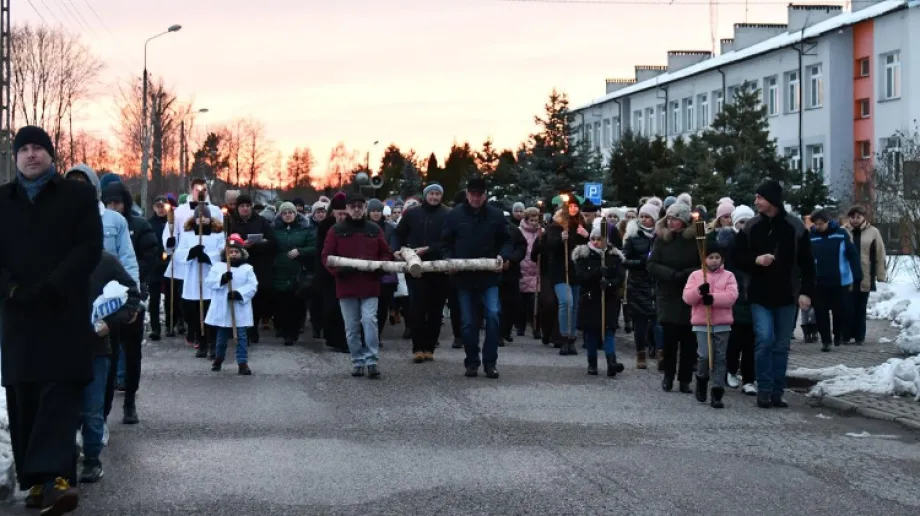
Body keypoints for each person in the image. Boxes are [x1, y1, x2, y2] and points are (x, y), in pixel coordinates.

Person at [0, 125, 102, 514]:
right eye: (23, 149)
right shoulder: (3, 200)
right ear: (16, 156)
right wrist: (10, 289)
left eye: (37, 148)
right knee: (24, 397)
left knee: (59, 395)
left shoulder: (76, 196)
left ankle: (58, 478)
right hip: (19, 316)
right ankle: (36, 482)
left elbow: (88, 247)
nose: (30, 155)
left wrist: (54, 286)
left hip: (62, 312)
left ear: (50, 155)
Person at [733, 180, 815, 409]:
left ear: (772, 200)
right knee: (764, 340)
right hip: (759, 295)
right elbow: (737, 257)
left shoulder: (795, 227)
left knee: (781, 345)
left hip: (787, 296)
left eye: (760, 197)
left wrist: (806, 292)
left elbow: (808, 263)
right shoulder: (751, 227)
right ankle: (764, 389)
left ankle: (778, 392)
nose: (756, 201)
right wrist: (756, 260)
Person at [440, 177, 511, 379]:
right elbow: (445, 243)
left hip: (489, 276)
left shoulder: (496, 215)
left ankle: (490, 362)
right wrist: (448, 260)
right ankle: (472, 361)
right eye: (472, 194)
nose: (475, 198)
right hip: (464, 277)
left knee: (493, 315)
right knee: (468, 323)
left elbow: (507, 240)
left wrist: (503, 256)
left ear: (485, 195)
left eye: (479, 194)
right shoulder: (455, 215)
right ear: (467, 193)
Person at [81, 251, 142, 483]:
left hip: (95, 346)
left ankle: (92, 459)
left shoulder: (104, 260)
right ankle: (63, 461)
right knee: (64, 406)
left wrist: (110, 321)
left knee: (93, 406)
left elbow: (131, 294)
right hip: (62, 347)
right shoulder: (53, 255)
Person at [101, 181, 159, 425]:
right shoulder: (99, 224)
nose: (113, 207)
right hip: (105, 298)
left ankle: (130, 401)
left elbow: (150, 255)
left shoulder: (138, 225)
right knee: (108, 355)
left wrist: (132, 280)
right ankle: (102, 410)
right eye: (109, 203)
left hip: (132, 295)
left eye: (117, 202)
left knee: (132, 352)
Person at [322, 192, 393, 378]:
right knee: (351, 327)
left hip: (370, 285)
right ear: (346, 209)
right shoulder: (336, 230)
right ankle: (357, 361)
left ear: (364, 209)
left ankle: (372, 361)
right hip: (346, 286)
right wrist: (338, 272)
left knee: (370, 322)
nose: (356, 209)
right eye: (352, 206)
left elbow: (386, 253)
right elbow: (326, 257)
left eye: (360, 206)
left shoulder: (374, 229)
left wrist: (380, 267)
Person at [391, 183, 450, 362]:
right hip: (415, 268)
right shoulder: (412, 214)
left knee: (435, 310)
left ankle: (430, 348)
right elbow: (397, 234)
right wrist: (395, 250)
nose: (434, 197)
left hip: (439, 269)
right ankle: (417, 348)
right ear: (425, 195)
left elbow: (449, 240)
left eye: (437, 194)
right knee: (417, 307)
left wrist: (430, 248)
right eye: (431, 194)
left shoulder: (447, 215)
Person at [647, 202, 701, 393]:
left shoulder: (695, 239)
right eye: (669, 218)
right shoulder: (661, 239)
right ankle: (668, 375)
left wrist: (686, 274)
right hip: (668, 293)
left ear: (684, 221)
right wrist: (670, 274)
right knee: (669, 339)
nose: (671, 222)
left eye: (675, 219)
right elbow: (651, 264)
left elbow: (703, 263)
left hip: (690, 294)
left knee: (688, 340)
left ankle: (685, 379)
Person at [682, 243, 739, 409]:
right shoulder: (696, 275)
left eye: (717, 257)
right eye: (711, 257)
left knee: (720, 357)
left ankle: (717, 390)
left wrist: (712, 298)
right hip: (702, 322)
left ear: (722, 259)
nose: (714, 261)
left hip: (722, 323)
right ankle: (701, 380)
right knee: (705, 356)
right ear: (704, 259)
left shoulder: (729, 276)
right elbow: (687, 297)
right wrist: (700, 292)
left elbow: (731, 296)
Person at [572, 227, 626, 376]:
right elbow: (580, 276)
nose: (596, 242)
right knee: (592, 332)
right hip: (590, 298)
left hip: (609, 298)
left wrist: (609, 283)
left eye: (599, 239)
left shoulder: (614, 256)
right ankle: (592, 362)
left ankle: (611, 362)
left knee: (609, 330)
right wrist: (597, 273)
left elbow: (620, 277)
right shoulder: (583, 256)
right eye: (593, 239)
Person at [539, 195, 589, 354]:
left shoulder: (581, 225)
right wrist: (560, 239)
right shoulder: (557, 226)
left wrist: (587, 237)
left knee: (574, 306)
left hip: (575, 271)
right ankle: (564, 335)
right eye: (571, 206)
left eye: (576, 206)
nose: (574, 209)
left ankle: (572, 337)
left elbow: (590, 249)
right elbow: (549, 246)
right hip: (560, 270)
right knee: (566, 302)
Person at [717, 205, 758, 396]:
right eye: (741, 222)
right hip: (733, 297)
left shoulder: (756, 241)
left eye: (748, 222)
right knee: (734, 340)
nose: (744, 225)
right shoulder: (728, 243)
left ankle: (749, 378)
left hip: (753, 296)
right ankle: (731, 370)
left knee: (751, 342)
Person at [809, 209, 862, 352]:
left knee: (840, 311)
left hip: (839, 280)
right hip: (818, 281)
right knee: (820, 312)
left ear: (828, 222)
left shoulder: (841, 234)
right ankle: (826, 340)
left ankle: (837, 334)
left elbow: (852, 254)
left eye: (821, 224)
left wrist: (857, 273)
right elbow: (805, 258)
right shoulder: (811, 236)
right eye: (816, 224)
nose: (818, 226)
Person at [205, 234, 258, 374]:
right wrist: (222, 280)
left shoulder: (247, 269)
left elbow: (253, 286)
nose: (233, 254)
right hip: (223, 308)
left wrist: (239, 293)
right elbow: (209, 282)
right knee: (221, 337)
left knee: (241, 336)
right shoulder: (218, 267)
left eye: (236, 252)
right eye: (231, 252)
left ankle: (242, 362)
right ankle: (218, 358)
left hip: (239, 309)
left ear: (241, 253)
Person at [177, 204, 225, 357]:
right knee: (194, 312)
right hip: (193, 278)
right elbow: (179, 253)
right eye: (199, 217)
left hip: (209, 276)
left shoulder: (217, 234)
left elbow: (222, 252)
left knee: (209, 311)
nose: (202, 219)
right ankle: (200, 340)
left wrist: (208, 257)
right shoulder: (188, 235)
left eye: (205, 216)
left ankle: (212, 343)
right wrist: (191, 253)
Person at [229, 194, 278, 344]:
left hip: (258, 265)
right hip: (237, 265)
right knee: (238, 297)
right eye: (242, 206)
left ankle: (252, 328)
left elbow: (273, 243)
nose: (245, 209)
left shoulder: (261, 222)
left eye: (248, 206)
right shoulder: (231, 223)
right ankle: (237, 328)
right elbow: (225, 241)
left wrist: (258, 243)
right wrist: (239, 245)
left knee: (256, 299)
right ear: (237, 208)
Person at [270, 202, 316, 346]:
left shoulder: (305, 229)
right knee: (281, 303)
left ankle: (293, 333)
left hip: (297, 272)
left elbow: (314, 247)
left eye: (290, 212)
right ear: (280, 215)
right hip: (279, 271)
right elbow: (269, 246)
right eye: (285, 213)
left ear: (295, 214)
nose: (288, 215)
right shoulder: (274, 230)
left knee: (296, 304)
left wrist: (300, 251)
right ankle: (282, 329)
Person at [622, 202, 659, 370]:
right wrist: (641, 262)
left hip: (657, 283)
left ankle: (661, 352)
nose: (644, 220)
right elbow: (623, 260)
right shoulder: (633, 236)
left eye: (648, 217)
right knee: (641, 322)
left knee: (658, 322)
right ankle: (640, 354)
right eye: (642, 216)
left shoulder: (661, 237)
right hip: (638, 283)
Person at [847, 205, 887, 345]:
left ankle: (859, 336)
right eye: (853, 217)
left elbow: (880, 253)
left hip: (865, 275)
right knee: (846, 306)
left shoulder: (873, 232)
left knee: (860, 307)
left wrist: (880, 274)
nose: (855, 220)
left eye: (858, 217)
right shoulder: (843, 231)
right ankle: (845, 335)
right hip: (847, 275)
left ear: (864, 217)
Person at [315, 193, 349, 353]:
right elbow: (321, 251)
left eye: (344, 213)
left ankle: (344, 340)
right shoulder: (325, 226)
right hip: (328, 272)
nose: (342, 216)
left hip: (348, 271)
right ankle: (332, 338)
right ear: (332, 212)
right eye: (339, 213)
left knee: (345, 309)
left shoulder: (352, 224)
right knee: (331, 307)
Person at [516, 207, 543, 339]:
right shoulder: (519, 232)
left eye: (536, 220)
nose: (534, 223)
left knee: (535, 302)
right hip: (523, 267)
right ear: (526, 220)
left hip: (536, 269)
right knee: (521, 302)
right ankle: (520, 326)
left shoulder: (541, 232)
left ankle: (536, 327)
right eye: (531, 220)